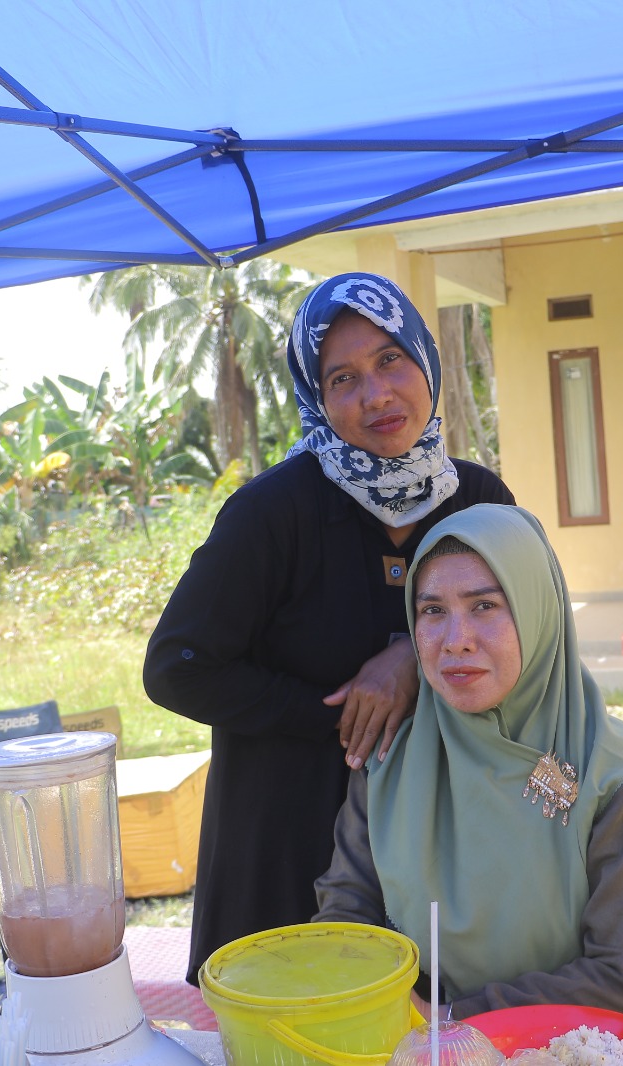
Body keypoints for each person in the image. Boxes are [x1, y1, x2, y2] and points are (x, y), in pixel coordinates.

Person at [143, 273, 514, 984]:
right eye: (341, 377)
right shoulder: (273, 514)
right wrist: (344, 715)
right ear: (315, 396)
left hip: (442, 842)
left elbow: (533, 638)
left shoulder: (480, 502)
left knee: (434, 1034)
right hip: (289, 841)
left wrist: (412, 656)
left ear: (425, 360)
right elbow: (176, 666)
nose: (375, 394)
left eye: (389, 361)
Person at [314, 504, 623, 1032]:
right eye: (433, 610)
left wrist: (449, 1020)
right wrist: (367, 995)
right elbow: (346, 913)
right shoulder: (390, 759)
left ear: (538, 611)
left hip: (574, 1051)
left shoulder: (621, 775)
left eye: (485, 605)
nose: (456, 639)